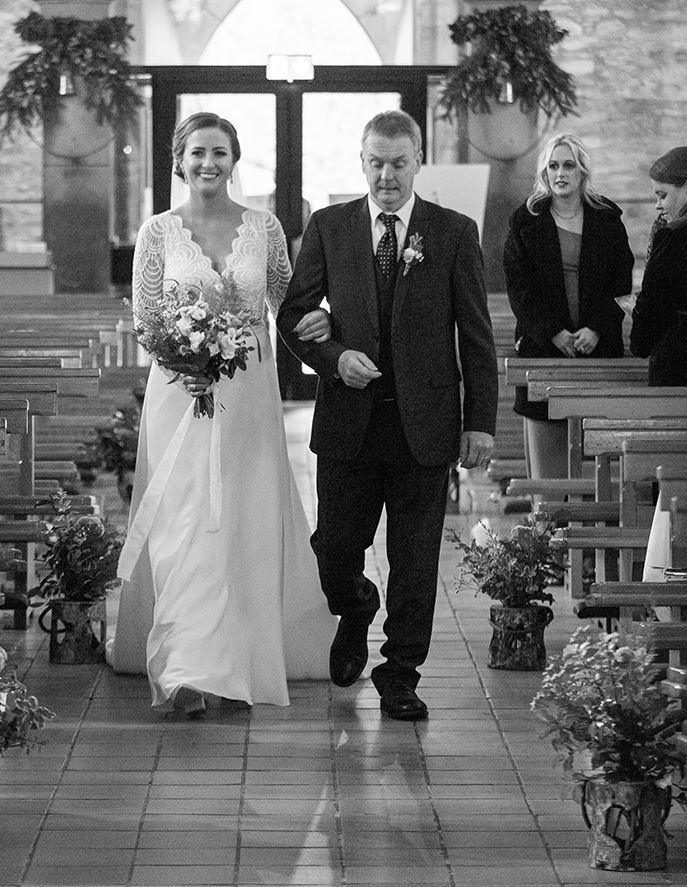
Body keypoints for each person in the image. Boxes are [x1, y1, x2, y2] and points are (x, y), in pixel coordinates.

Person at [111, 112, 336, 715]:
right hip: (178, 393)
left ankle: (237, 657)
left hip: (247, 397)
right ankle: (186, 669)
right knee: (183, 524)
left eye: (220, 152)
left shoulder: (263, 227)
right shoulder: (157, 232)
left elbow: (288, 306)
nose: (208, 163)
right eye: (197, 153)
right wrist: (184, 353)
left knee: (240, 520)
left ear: (235, 161)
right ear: (179, 161)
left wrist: (326, 339)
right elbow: (145, 317)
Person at [277, 109, 497, 722]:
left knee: (416, 559)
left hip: (423, 426)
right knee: (336, 552)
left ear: (418, 161)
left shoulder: (452, 232)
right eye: (375, 162)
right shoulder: (331, 226)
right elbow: (293, 314)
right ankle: (353, 608)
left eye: (398, 163)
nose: (386, 175)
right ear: (362, 161)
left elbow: (476, 336)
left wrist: (479, 420)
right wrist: (331, 357)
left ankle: (400, 671)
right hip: (350, 421)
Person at [503, 133, 634, 478]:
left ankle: (598, 525)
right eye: (553, 166)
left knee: (602, 461)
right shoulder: (526, 219)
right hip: (543, 348)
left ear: (581, 172)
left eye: (568, 165)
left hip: (598, 348)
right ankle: (546, 527)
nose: (560, 173)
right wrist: (553, 333)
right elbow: (519, 288)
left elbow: (621, 284)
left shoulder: (606, 218)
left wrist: (596, 329)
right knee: (549, 468)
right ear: (544, 173)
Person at [630, 145, 687, 385]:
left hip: (677, 362)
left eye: (662, 195)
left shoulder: (673, 235)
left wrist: (639, 339)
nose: (657, 205)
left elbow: (654, 303)